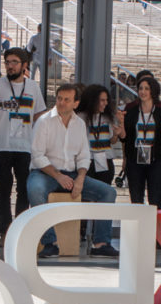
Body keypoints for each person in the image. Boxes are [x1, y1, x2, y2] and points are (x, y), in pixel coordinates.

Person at [27, 84, 118, 258]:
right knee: (35, 189)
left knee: (108, 192)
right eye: (59, 98)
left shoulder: (79, 124)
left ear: (76, 103)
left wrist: (81, 178)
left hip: (72, 174)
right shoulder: (44, 121)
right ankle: (50, 243)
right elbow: (37, 156)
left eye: (67, 99)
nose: (61, 103)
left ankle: (100, 244)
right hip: (45, 173)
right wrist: (57, 175)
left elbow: (84, 156)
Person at [0, 47, 48, 246]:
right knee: (4, 189)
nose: (10, 66)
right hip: (1, 144)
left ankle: (21, 232)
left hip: (25, 146)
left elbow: (40, 113)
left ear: (24, 66)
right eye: (7, 62)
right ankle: (5, 232)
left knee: (24, 189)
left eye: (14, 62)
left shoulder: (32, 86)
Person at [121, 74, 161, 207]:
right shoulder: (132, 112)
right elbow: (124, 138)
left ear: (153, 91)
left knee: (155, 199)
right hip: (135, 160)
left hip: (154, 160)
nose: (143, 92)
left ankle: (154, 226)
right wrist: (121, 123)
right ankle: (139, 227)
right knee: (136, 198)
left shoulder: (160, 113)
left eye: (146, 88)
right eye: (140, 88)